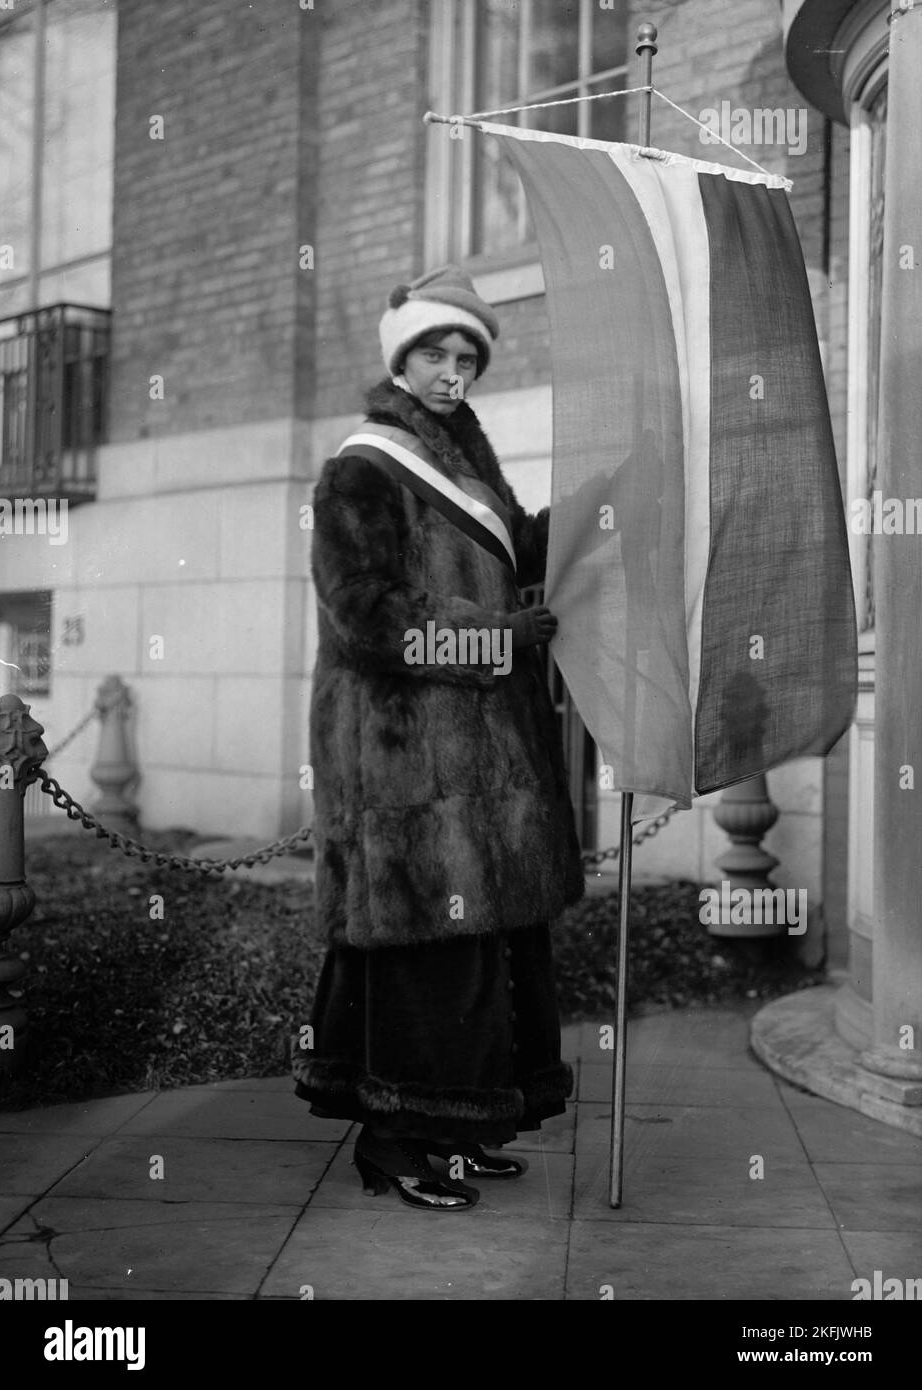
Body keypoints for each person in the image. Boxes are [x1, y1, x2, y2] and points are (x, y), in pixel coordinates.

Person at [294, 265, 584, 1211]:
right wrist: (497, 638)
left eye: (468, 357)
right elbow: (365, 617)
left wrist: (603, 507)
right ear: (402, 358)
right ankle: (398, 1145)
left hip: (482, 755)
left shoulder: (464, 458)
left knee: (488, 948)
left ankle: (461, 1131)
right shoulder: (362, 467)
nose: (455, 370)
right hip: (402, 761)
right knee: (430, 957)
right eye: (437, 353)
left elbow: (510, 555)